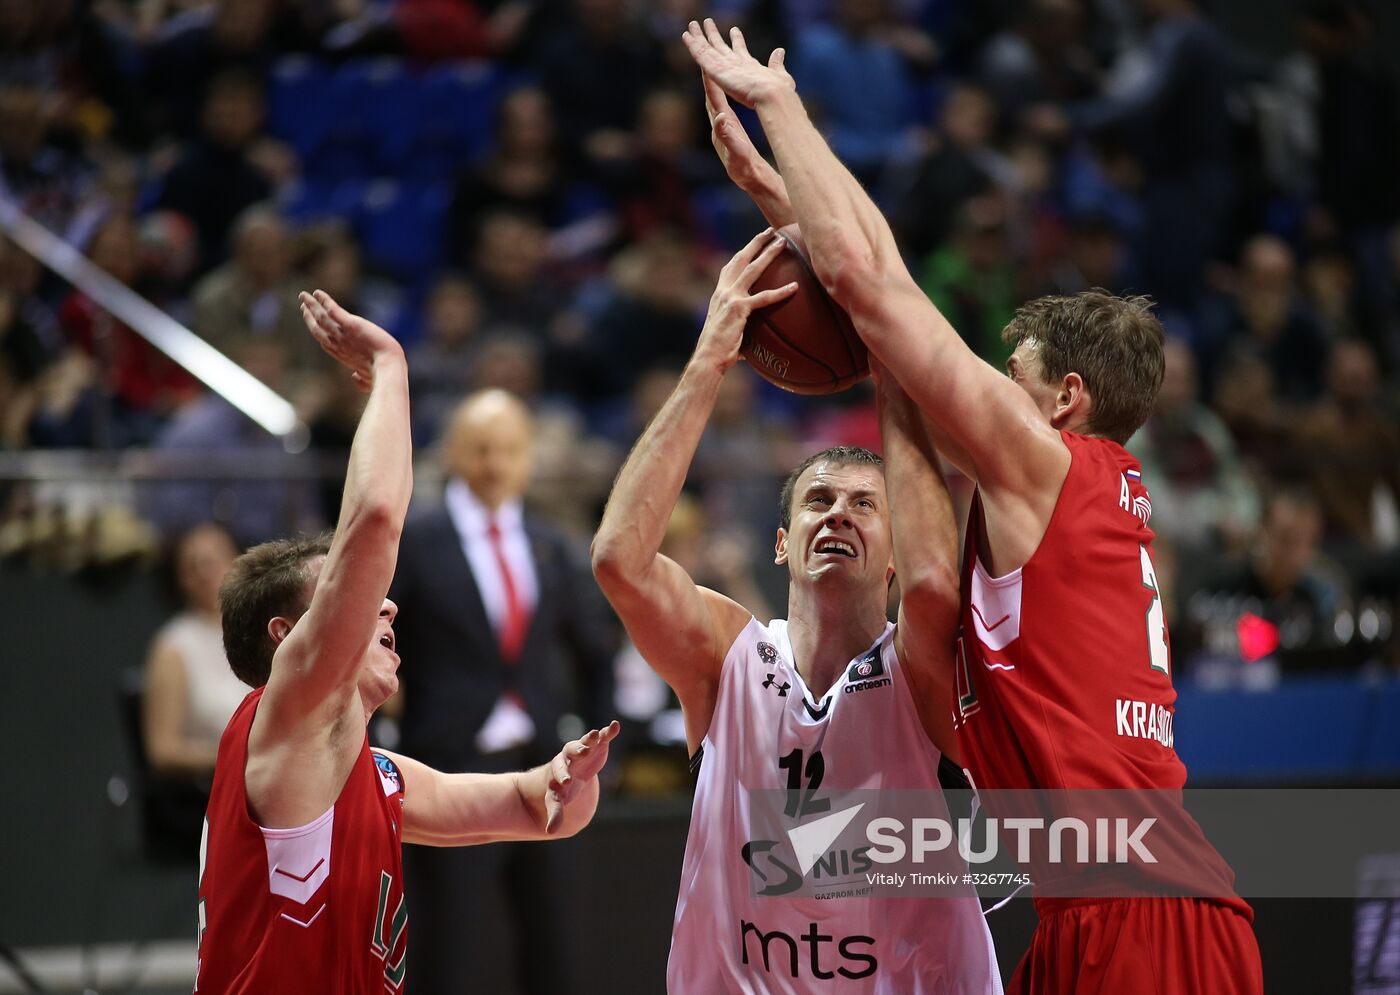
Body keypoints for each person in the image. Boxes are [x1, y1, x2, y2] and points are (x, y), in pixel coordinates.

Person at [685, 19, 1262, 994]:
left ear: (1064, 397)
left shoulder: (1046, 463)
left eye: (1010, 375)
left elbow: (877, 285)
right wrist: (788, 213)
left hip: (1140, 918)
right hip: (1099, 911)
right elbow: (919, 568)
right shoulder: (1067, 509)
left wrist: (778, 107)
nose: (985, 386)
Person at [591, 231, 999, 994]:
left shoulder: (926, 669)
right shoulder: (727, 654)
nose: (837, 513)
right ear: (782, 543)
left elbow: (938, 585)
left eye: (862, 505)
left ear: (896, 553)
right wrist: (710, 360)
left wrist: (893, 378)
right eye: (818, 499)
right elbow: (619, 559)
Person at [196, 290, 618, 993]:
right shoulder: (284, 720)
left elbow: (528, 807)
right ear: (289, 637)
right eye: (341, 597)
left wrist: (565, 783)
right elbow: (376, 521)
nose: (384, 602)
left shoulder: (369, 771)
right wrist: (391, 366)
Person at [389, 387, 618, 995]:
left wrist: (601, 745)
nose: (496, 463)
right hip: (449, 763)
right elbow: (380, 637)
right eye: (482, 449)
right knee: (451, 946)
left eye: (510, 450)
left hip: (546, 766)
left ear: (528, 458)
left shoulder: (549, 544)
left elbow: (592, 647)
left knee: (557, 940)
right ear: (457, 454)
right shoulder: (417, 541)